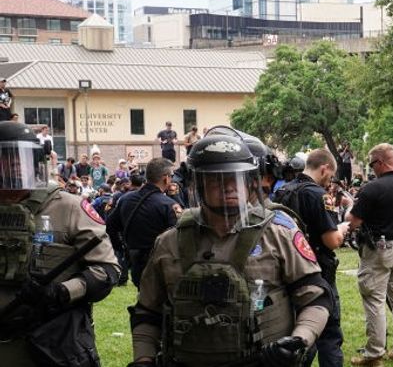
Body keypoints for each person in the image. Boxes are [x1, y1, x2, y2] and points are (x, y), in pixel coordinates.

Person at [128, 134, 334, 367]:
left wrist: (298, 340)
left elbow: (316, 298)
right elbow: (146, 312)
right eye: (217, 180)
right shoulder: (169, 243)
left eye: (236, 178)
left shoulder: (278, 235)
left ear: (249, 182)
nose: (229, 187)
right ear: (198, 185)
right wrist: (143, 359)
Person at [0, 121, 119, 366]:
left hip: (51, 345)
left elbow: (107, 270)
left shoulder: (68, 207)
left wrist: (61, 292)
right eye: (6, 157)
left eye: (21, 158)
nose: (15, 165)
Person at [345, 143, 393, 366]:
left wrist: (350, 207)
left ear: (380, 162)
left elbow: (354, 221)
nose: (370, 169)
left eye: (371, 164)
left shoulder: (372, 188)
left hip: (379, 248)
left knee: (374, 299)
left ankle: (374, 353)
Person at [273, 148, 347, 367]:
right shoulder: (317, 195)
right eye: (331, 176)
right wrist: (342, 229)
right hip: (317, 272)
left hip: (288, 269)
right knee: (329, 334)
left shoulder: (283, 191)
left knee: (296, 332)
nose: (330, 181)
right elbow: (332, 241)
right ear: (324, 169)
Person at [105, 157, 181, 288]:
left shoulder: (126, 199)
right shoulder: (168, 205)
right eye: (171, 176)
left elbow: (110, 227)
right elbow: (181, 237)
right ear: (166, 178)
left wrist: (121, 249)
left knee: (144, 300)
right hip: (162, 265)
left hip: (136, 263)